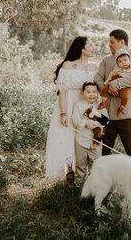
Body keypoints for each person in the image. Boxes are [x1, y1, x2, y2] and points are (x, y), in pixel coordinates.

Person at [45, 36, 98, 181]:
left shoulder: (94, 67)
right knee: (67, 136)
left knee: (84, 135)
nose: (94, 48)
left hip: (85, 106)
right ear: (82, 48)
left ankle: (85, 171)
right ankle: (69, 171)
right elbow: (62, 90)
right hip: (68, 105)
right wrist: (63, 113)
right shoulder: (68, 65)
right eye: (91, 45)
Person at [94, 29, 131, 157]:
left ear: (121, 42)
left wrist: (113, 85)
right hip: (107, 115)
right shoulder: (106, 60)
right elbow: (97, 78)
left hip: (130, 115)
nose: (109, 45)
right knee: (102, 154)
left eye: (112, 42)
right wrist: (107, 90)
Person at [72, 81, 109, 186]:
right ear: (82, 93)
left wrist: (96, 122)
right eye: (88, 92)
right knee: (80, 164)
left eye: (94, 92)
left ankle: (94, 185)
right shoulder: (78, 105)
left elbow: (106, 120)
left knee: (96, 163)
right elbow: (75, 119)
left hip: (96, 140)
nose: (92, 94)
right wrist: (86, 123)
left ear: (98, 93)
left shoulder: (100, 106)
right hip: (81, 140)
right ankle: (79, 184)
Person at [98, 48, 131, 119]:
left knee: (125, 96)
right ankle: (104, 102)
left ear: (129, 60)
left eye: (125, 60)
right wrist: (107, 82)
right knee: (105, 88)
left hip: (125, 83)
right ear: (117, 63)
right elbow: (111, 74)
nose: (123, 63)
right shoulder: (116, 68)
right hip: (116, 77)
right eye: (120, 61)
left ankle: (121, 108)